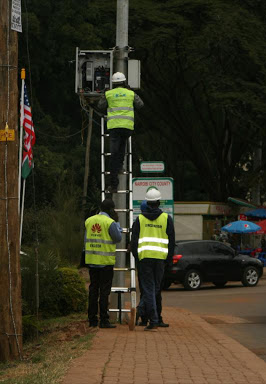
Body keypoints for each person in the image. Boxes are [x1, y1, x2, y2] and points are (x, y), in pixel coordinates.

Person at [131, 189, 175, 330]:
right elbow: (171, 241)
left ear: (147, 203)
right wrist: (168, 260)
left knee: (150, 289)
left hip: (145, 259)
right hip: (160, 259)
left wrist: (137, 258)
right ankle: (154, 319)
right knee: (154, 289)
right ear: (159, 202)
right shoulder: (166, 218)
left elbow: (133, 242)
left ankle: (145, 313)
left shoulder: (140, 219)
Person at [97, 72, 144, 193]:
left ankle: (113, 185)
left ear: (113, 83)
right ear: (124, 82)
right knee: (122, 149)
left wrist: (105, 94)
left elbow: (100, 106)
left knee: (113, 154)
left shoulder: (109, 94)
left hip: (114, 127)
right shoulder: (131, 93)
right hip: (127, 127)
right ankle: (121, 167)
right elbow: (140, 105)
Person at [84, 199, 122, 328]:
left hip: (91, 261)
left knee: (93, 290)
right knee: (104, 292)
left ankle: (92, 319)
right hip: (105, 262)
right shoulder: (110, 222)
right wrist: (117, 223)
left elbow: (85, 240)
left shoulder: (89, 221)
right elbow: (118, 238)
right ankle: (104, 320)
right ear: (112, 209)